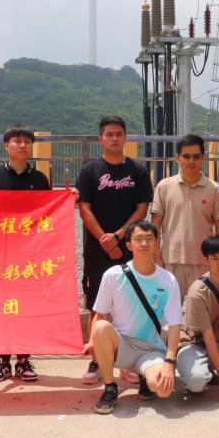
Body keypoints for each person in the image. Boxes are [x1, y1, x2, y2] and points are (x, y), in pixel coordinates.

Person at [76, 115, 153, 385]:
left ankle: (126, 361)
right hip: (97, 250)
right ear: (101, 138)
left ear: (126, 137)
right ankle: (96, 360)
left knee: (128, 304)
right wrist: (104, 240)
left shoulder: (138, 171)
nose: (114, 139)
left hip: (129, 247)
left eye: (119, 134)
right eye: (109, 134)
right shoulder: (89, 171)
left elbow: (142, 209)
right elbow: (84, 209)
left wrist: (118, 236)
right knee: (96, 305)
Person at [84, 220, 182, 414]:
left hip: (150, 349)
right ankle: (110, 387)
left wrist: (169, 363)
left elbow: (175, 325)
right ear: (129, 245)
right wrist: (93, 342)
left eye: (149, 239)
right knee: (101, 327)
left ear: (156, 243)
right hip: (122, 346)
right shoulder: (113, 275)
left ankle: (146, 377)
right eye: (139, 239)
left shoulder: (168, 279)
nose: (144, 243)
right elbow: (99, 315)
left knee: (162, 390)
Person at [0, 125, 51, 383]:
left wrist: (68, 198)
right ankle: (1, 361)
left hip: (28, 255)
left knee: (26, 306)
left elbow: (48, 214)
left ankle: (23, 360)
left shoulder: (40, 179)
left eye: (27, 142)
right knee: (0, 306)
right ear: (6, 145)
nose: (22, 146)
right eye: (17, 141)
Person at [150, 134, 219, 298]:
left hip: (204, 262)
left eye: (196, 157)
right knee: (170, 309)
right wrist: (157, 257)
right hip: (171, 261)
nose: (191, 161)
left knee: (202, 308)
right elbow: (155, 224)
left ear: (203, 157)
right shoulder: (164, 186)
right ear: (177, 157)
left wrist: (218, 259)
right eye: (186, 156)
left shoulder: (214, 189)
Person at [177, 234, 219, 398]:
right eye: (215, 258)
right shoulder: (199, 291)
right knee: (196, 382)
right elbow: (207, 337)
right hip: (194, 344)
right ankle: (198, 369)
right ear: (206, 261)